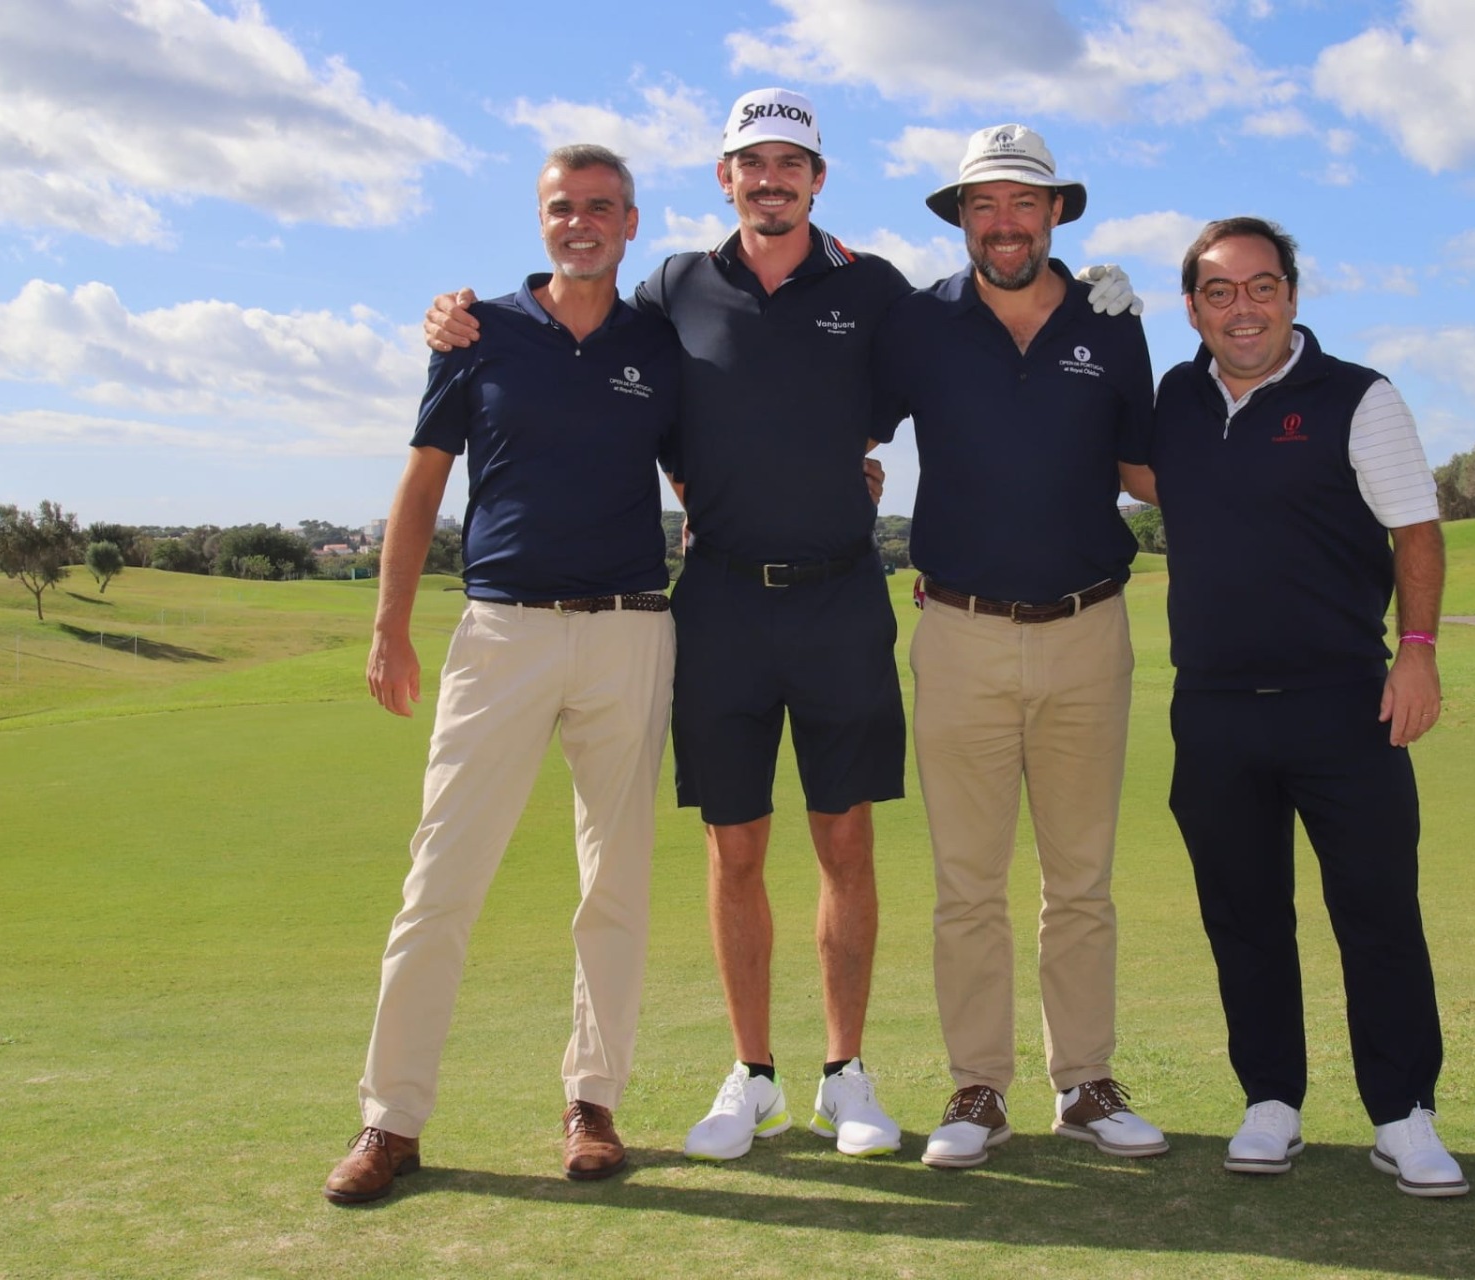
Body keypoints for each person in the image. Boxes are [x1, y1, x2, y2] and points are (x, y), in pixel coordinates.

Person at [424, 93, 1140, 1164]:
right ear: (724, 178)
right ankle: (752, 1073)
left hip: (842, 592)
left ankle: (847, 1071)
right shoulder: (673, 285)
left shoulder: (873, 290)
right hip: (718, 597)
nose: (771, 179)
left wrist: (1089, 299)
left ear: (818, 179)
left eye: (790, 163)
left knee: (845, 838)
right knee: (734, 845)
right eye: (751, 163)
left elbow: (976, 342)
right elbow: (612, 364)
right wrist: (469, 317)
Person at [323, 145, 679, 1204]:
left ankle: (593, 1103)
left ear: (631, 222)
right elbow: (424, 478)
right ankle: (391, 1118)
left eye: (602, 209)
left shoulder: (659, 343)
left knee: (614, 882)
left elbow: (707, 471)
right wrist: (389, 623)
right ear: (542, 221)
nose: (583, 223)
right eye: (564, 208)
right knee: (441, 878)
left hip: (627, 630)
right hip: (502, 631)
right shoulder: (477, 330)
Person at [1133, 215, 1468, 1196]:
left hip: (1344, 704)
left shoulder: (1358, 395)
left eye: (1263, 286)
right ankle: (1271, 1100)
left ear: (1293, 294)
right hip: (1216, 707)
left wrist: (1417, 653)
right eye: (1221, 291)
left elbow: (1417, 531)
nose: (1245, 308)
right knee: (1245, 916)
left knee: (1374, 912)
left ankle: (1404, 1112)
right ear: (1192, 306)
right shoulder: (1177, 397)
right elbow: (1133, 467)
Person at [875, 125, 1166, 1170]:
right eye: (984, 205)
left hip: (1091, 628)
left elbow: (1147, 470)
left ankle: (1084, 1081)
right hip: (958, 632)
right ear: (963, 218)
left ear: (1056, 214)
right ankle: (978, 1086)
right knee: (968, 882)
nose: (1004, 223)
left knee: (1081, 878)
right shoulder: (919, 323)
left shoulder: (1110, 321)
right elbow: (838, 416)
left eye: (1024, 203)